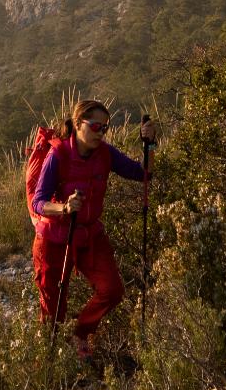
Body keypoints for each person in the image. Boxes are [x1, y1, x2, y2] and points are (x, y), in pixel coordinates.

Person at [29, 97, 150, 358]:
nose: (101, 133)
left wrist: (148, 143)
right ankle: (49, 365)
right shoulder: (58, 154)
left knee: (112, 290)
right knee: (53, 312)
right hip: (54, 239)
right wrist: (63, 208)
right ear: (77, 123)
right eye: (96, 127)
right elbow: (38, 202)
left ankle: (80, 333)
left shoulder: (105, 154)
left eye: (105, 128)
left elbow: (142, 173)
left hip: (89, 235)